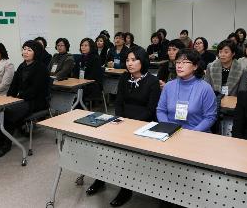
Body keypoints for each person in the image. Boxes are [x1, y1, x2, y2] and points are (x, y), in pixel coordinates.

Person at [86, 46, 161, 207]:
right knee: (103, 145)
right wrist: (119, 119)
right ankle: (101, 179)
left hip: (143, 124)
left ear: (143, 61)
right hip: (123, 120)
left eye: (134, 60)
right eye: (127, 60)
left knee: (126, 153)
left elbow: (151, 110)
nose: (129, 63)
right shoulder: (124, 77)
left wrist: (130, 125)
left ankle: (126, 189)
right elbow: (118, 102)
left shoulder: (152, 81)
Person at [0, 40, 48, 158]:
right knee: (0, 111)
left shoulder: (41, 68)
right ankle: (0, 143)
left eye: (29, 50)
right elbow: (14, 85)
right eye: (24, 49)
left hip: (36, 101)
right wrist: (9, 97)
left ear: (35, 52)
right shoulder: (22, 66)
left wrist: (17, 99)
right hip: (22, 99)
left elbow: (34, 90)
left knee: (8, 113)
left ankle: (6, 144)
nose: (25, 52)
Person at [157, 49, 217, 131]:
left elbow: (210, 117)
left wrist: (193, 133)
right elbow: (161, 111)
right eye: (177, 62)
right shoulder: (168, 86)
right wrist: (168, 128)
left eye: (184, 62)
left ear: (195, 66)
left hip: (196, 133)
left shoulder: (205, 88)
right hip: (170, 131)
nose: (179, 66)